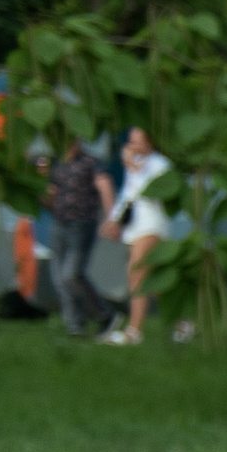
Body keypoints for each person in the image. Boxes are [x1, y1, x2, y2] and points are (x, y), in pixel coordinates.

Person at [98, 127, 172, 346]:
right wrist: (114, 219)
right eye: (130, 142)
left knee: (136, 272)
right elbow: (128, 195)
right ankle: (181, 321)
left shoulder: (160, 164)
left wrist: (132, 166)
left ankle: (134, 330)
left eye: (138, 142)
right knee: (153, 280)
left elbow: (146, 191)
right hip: (136, 227)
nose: (132, 147)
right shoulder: (135, 165)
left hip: (152, 225)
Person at [42, 141, 116, 336]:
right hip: (59, 223)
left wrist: (111, 218)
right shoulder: (57, 165)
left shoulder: (91, 162)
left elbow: (105, 185)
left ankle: (104, 314)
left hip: (82, 224)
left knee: (72, 274)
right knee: (59, 276)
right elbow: (51, 195)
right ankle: (75, 324)